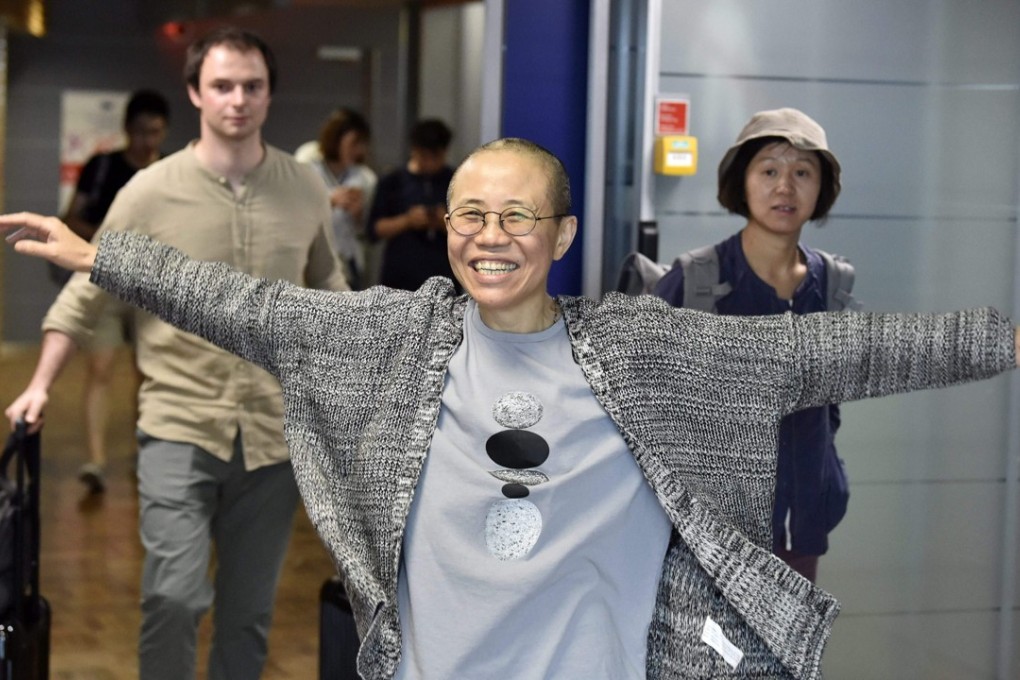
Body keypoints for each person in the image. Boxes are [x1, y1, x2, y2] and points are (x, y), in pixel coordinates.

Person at [3, 138, 1016, 679]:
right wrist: (104, 256)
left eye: (517, 214)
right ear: (446, 228)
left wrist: (1002, 337)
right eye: (470, 214)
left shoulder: (640, 348)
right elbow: (254, 307)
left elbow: (838, 347)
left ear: (563, 232)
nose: (490, 235)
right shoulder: (396, 340)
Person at [4, 27, 347, 680]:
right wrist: (41, 383)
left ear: (271, 95)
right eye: (222, 86)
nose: (238, 100)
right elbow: (85, 293)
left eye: (253, 86)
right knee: (173, 596)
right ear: (195, 93)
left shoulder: (305, 187)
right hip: (178, 423)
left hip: (276, 437)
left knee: (248, 615)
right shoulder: (149, 190)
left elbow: (331, 290)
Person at [654, 107, 851, 583]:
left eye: (803, 172)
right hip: (708, 544)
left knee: (785, 657)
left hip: (798, 534)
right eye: (769, 170)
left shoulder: (832, 283)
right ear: (741, 183)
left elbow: (830, 408)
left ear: (821, 188)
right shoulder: (696, 280)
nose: (785, 186)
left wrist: (825, 479)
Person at [60, 88, 170, 494]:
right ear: (127, 130)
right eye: (142, 132)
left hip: (153, 286)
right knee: (100, 369)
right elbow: (72, 218)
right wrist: (112, 242)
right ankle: (96, 461)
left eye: (156, 132)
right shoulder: (102, 167)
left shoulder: (171, 173)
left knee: (150, 374)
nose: (148, 141)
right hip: (106, 281)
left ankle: (146, 452)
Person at [367, 118, 458, 291]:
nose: (430, 163)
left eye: (435, 157)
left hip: (444, 277)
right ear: (413, 150)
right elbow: (374, 229)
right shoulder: (392, 181)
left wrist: (444, 222)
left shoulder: (456, 180)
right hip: (399, 279)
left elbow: (471, 229)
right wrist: (407, 221)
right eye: (424, 157)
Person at [300, 107, 377, 289]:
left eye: (362, 145)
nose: (358, 151)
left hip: (347, 260)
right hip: (312, 258)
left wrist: (358, 214)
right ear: (336, 140)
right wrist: (331, 201)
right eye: (353, 143)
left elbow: (366, 231)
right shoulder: (307, 167)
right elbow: (294, 213)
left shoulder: (365, 178)